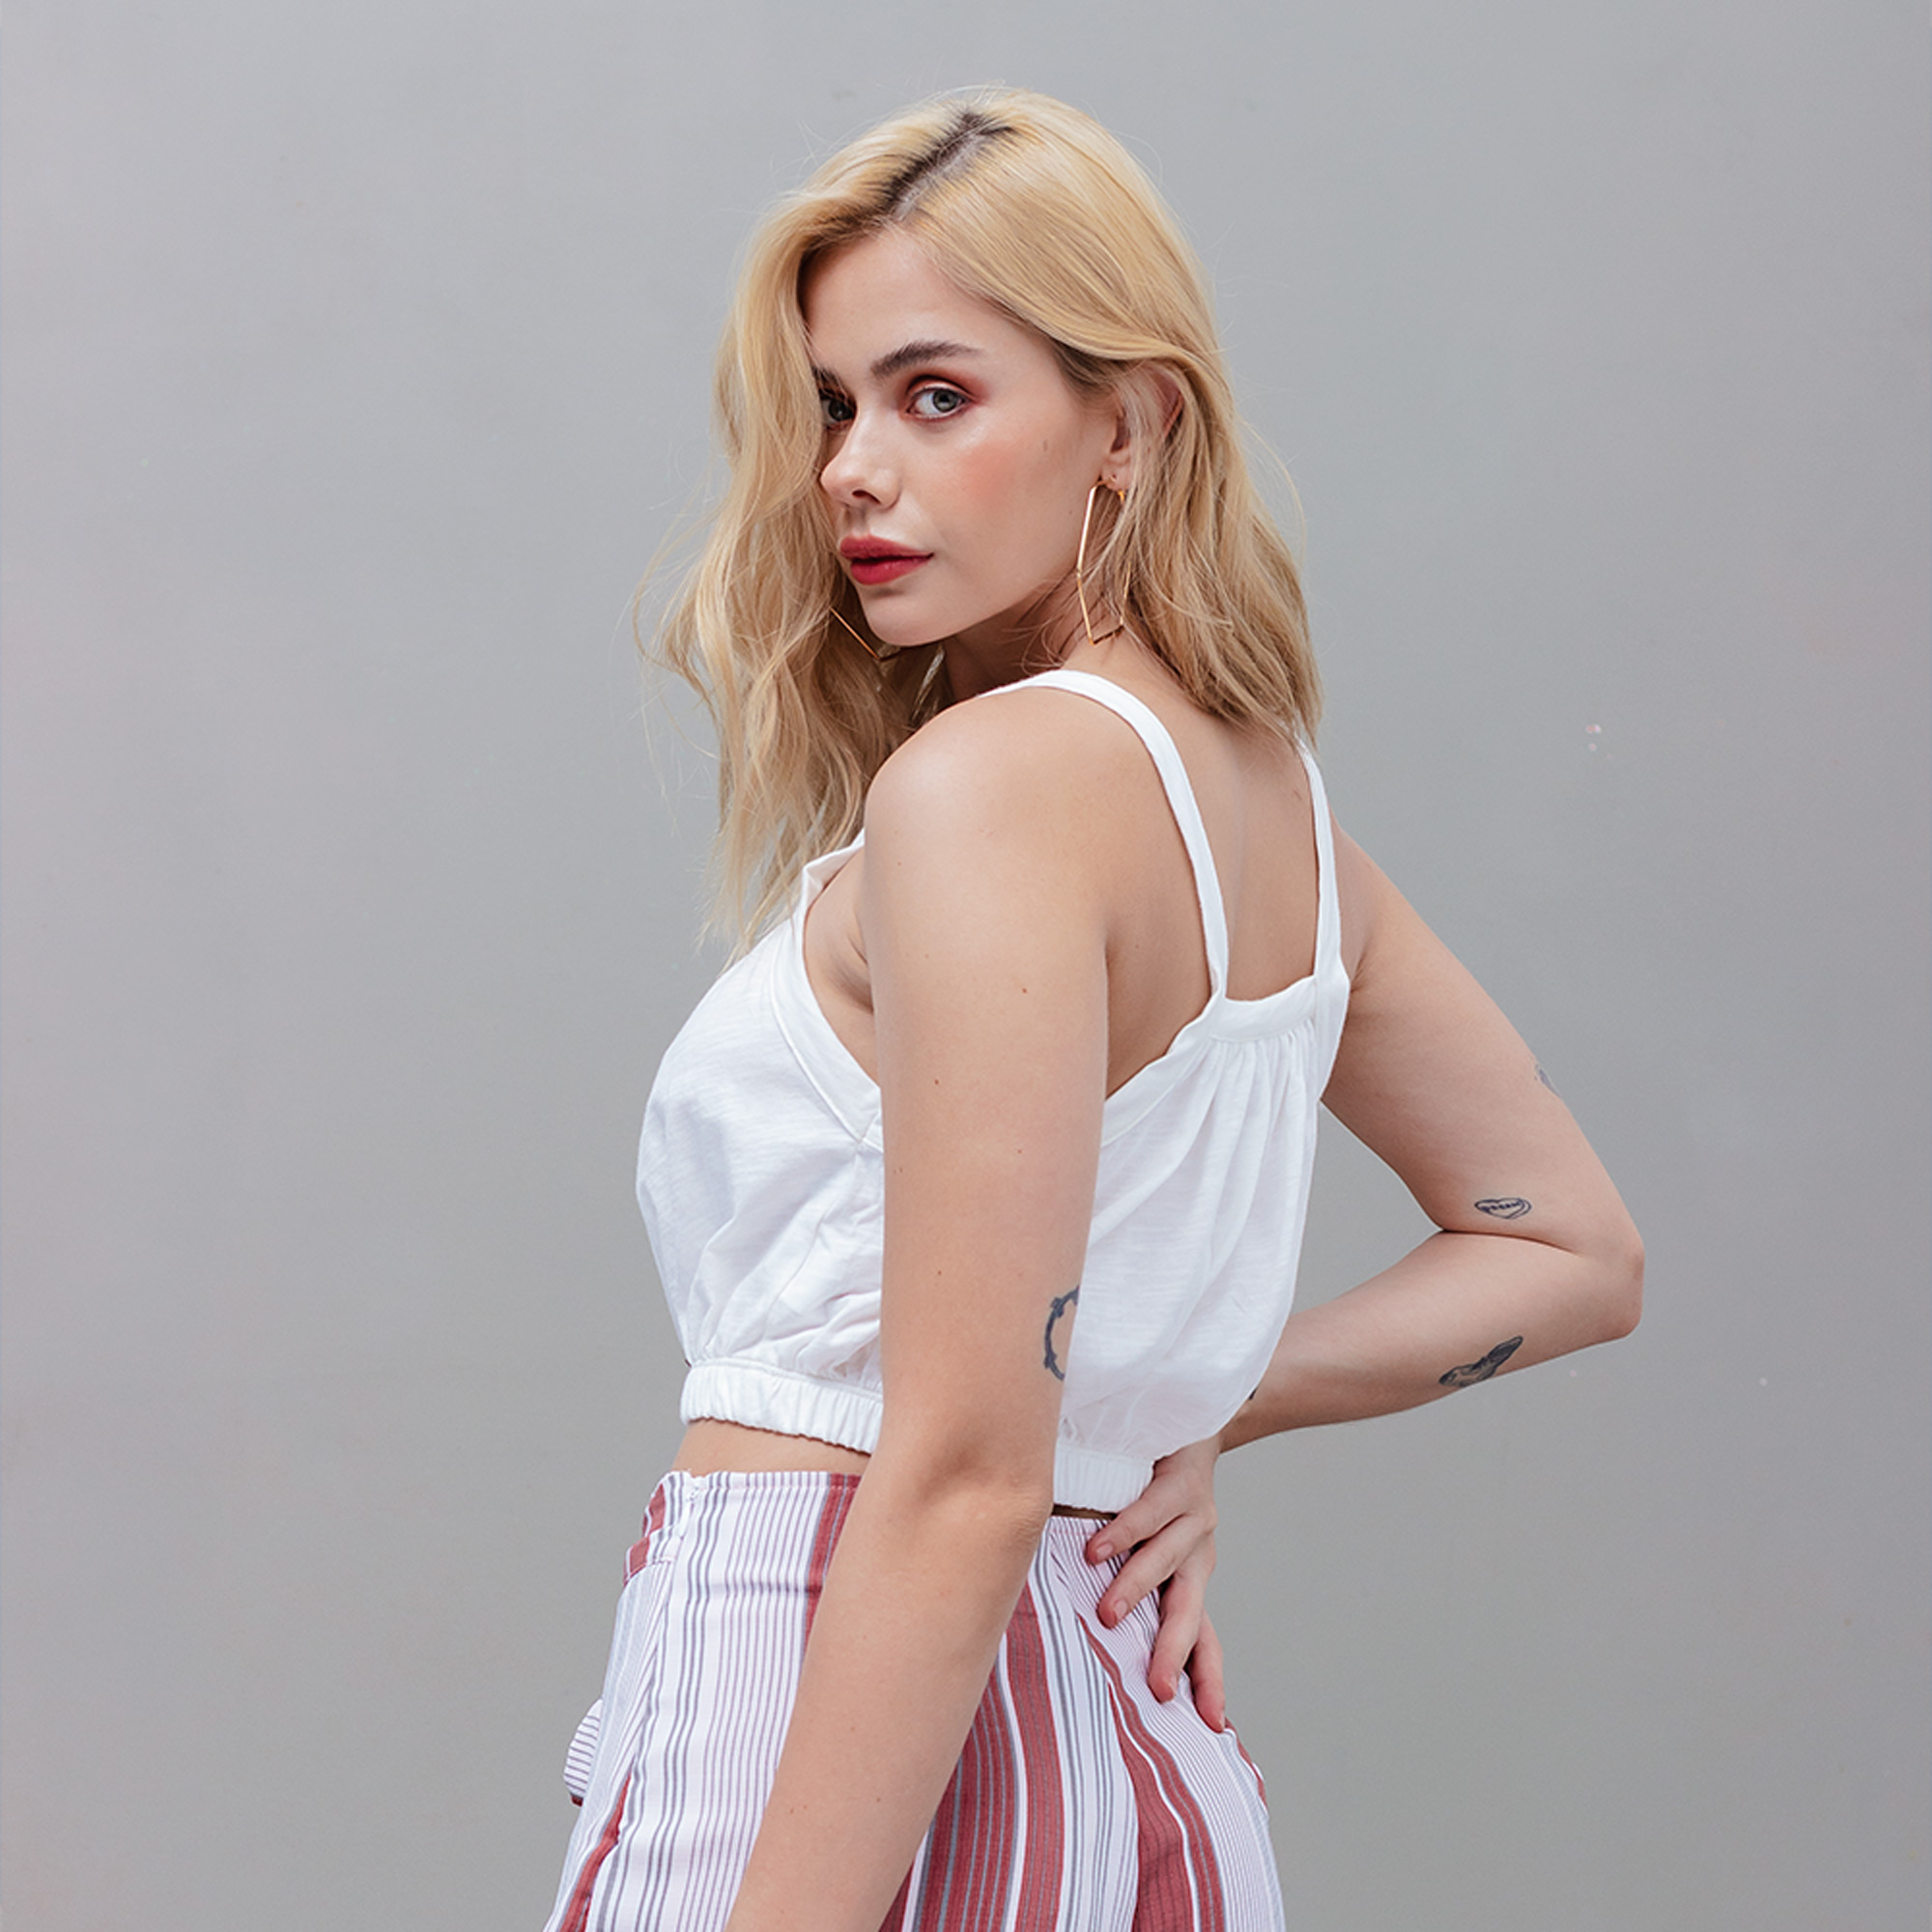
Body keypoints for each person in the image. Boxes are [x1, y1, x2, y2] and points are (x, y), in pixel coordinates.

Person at [543, 87, 1642, 1932]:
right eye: (832, 405)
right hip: (1121, 1723)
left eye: (936, 395)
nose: (851, 470)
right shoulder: (1275, 820)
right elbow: (1572, 1250)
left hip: (824, 1675)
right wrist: (1184, 1416)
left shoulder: (986, 793)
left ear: (1128, 424)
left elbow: (968, 1475)